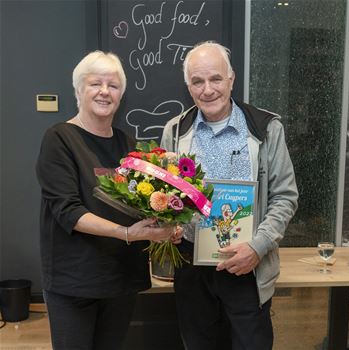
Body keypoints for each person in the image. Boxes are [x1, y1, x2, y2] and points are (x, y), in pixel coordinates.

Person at [35, 51, 180, 350]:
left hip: (119, 280)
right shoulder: (59, 139)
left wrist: (166, 225)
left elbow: (140, 205)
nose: (104, 91)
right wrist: (126, 234)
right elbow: (68, 211)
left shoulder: (127, 145)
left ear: (121, 94)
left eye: (113, 85)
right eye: (95, 83)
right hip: (74, 283)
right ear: (78, 90)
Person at [160, 41, 299, 349]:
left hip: (247, 265)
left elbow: (285, 196)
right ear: (188, 86)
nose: (207, 89)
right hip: (192, 266)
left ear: (231, 79)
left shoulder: (265, 129)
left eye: (215, 79)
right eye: (197, 81)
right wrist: (170, 223)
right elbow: (167, 194)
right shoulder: (175, 130)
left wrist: (257, 246)